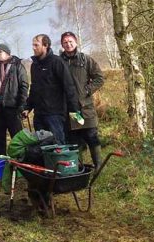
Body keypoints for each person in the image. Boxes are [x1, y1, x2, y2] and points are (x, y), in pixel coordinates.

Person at [22, 34, 81, 144]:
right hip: (39, 114)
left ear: (45, 45)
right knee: (42, 146)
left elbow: (69, 87)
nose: (33, 48)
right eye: (33, 45)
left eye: (36, 45)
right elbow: (34, 88)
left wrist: (74, 111)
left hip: (55, 114)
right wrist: (28, 107)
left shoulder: (57, 62)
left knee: (58, 146)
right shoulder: (34, 65)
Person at [59, 32, 105, 167]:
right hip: (69, 109)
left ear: (76, 42)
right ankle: (78, 168)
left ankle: (98, 166)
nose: (68, 44)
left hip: (85, 108)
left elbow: (99, 78)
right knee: (74, 140)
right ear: (62, 44)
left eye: (70, 41)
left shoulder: (86, 60)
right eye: (65, 42)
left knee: (92, 137)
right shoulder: (58, 62)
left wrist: (87, 90)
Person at [0, 43, 28, 156]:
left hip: (12, 107)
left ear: (7, 53)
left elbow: (24, 86)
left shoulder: (17, 65)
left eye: (0, 52)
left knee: (17, 138)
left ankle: (21, 161)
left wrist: (22, 105)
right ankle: (0, 164)